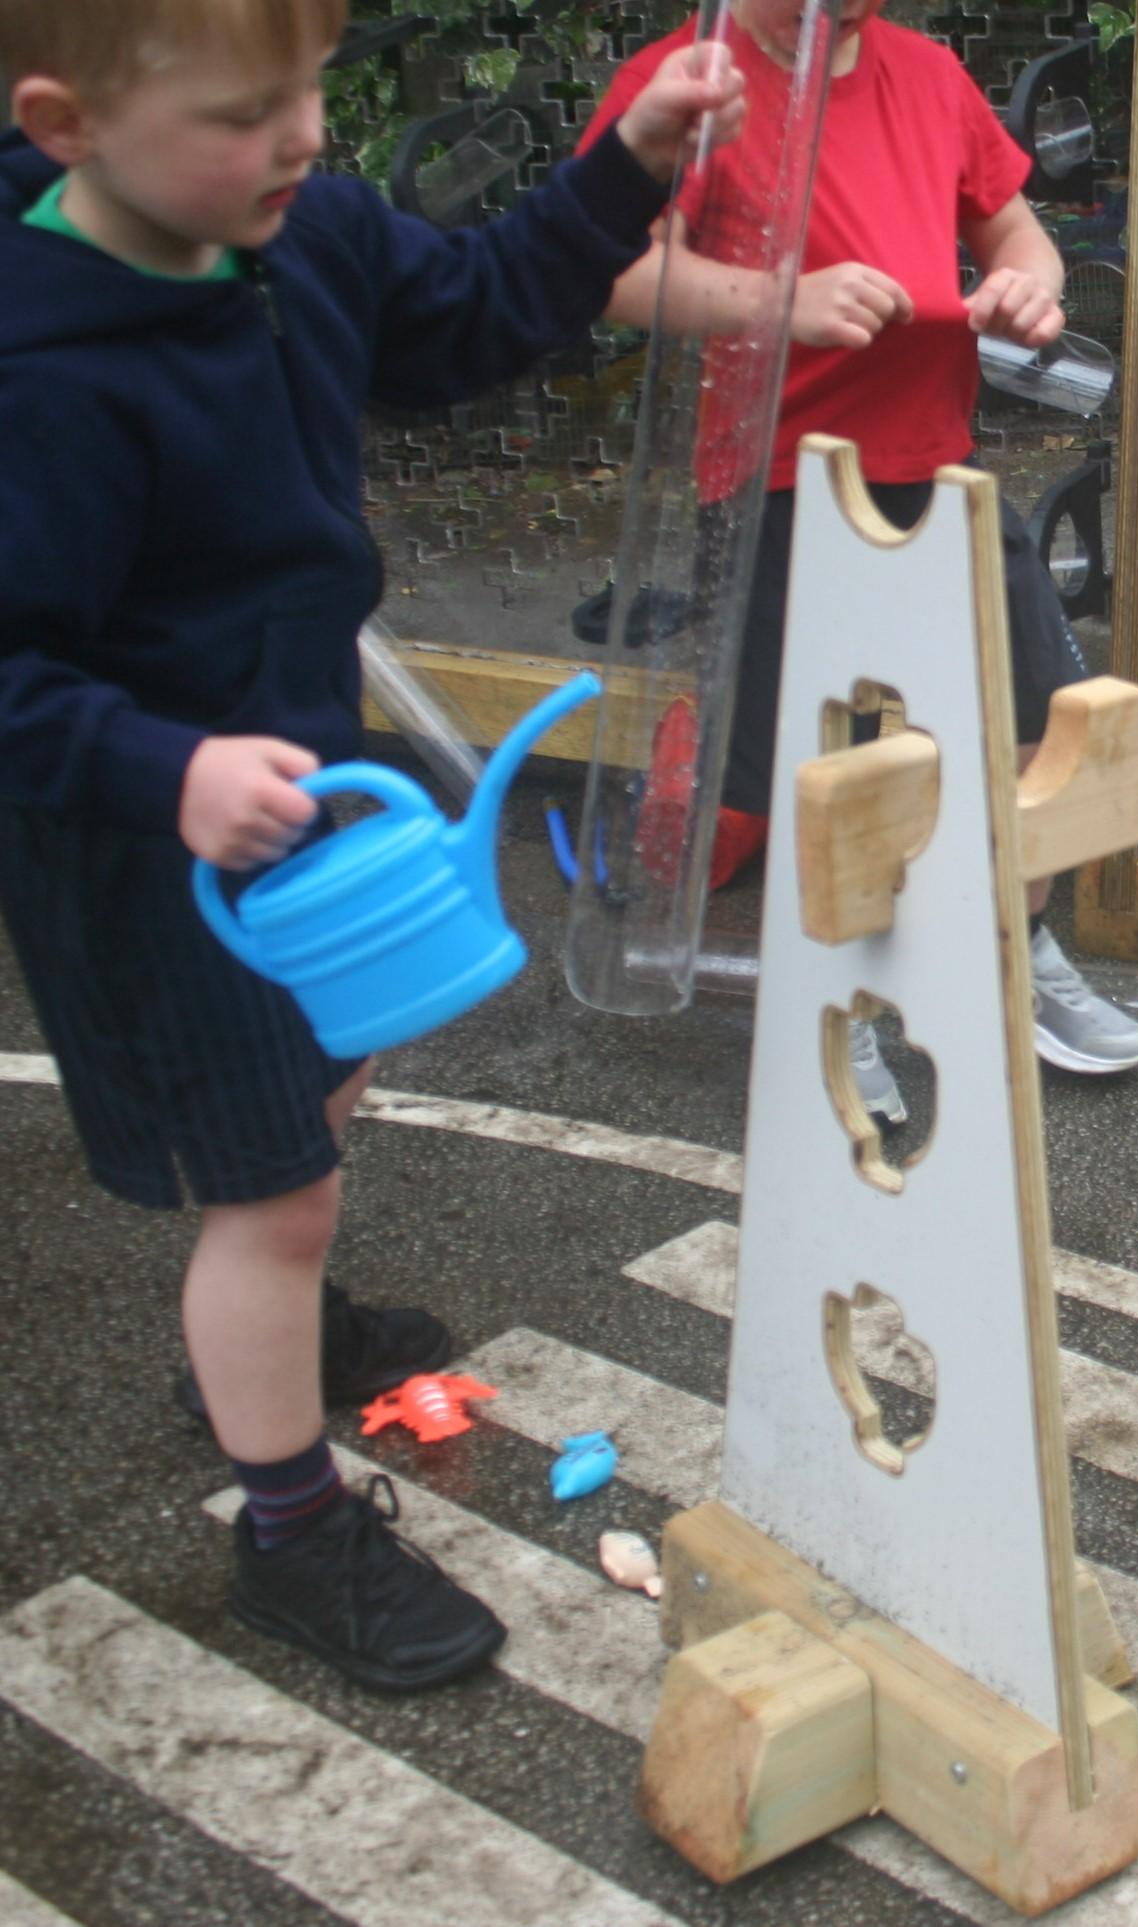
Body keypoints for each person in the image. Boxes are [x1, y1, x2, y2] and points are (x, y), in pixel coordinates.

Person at [0, 0, 741, 1686]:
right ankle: (289, 1526)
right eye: (246, 111)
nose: (306, 137)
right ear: (65, 127)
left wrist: (621, 171)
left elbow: (467, 314)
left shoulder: (295, 226)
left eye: (314, 89)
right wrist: (163, 767)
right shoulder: (34, 367)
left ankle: (270, 1329)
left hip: (302, 788)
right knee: (274, 1192)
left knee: (329, 1080)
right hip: (143, 845)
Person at [582, 0, 1138, 1084]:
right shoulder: (688, 83)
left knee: (1031, 737)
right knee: (822, 777)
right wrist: (775, 299)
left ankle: (1014, 959)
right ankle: (841, 1012)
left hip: (938, 466)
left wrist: (1031, 285)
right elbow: (608, 272)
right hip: (778, 483)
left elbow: (1014, 229)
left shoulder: (927, 74)